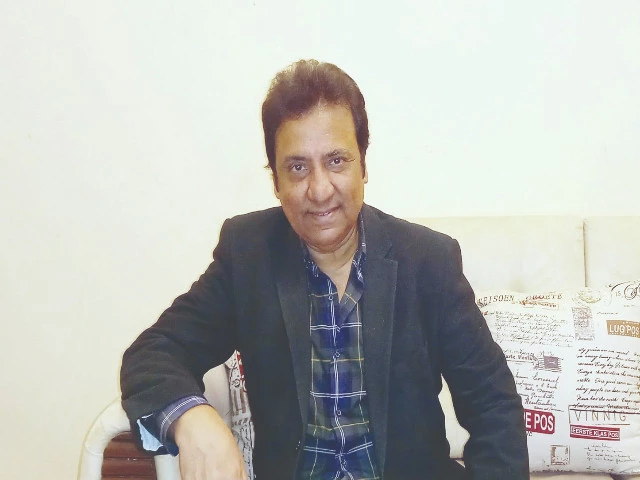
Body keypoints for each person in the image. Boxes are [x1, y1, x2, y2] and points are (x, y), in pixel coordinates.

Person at [120, 59, 529, 480]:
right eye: (298, 167)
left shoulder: (428, 262)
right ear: (276, 181)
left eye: (336, 161)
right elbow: (154, 352)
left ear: (363, 166)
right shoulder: (248, 256)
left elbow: (493, 405)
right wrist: (191, 416)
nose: (318, 190)